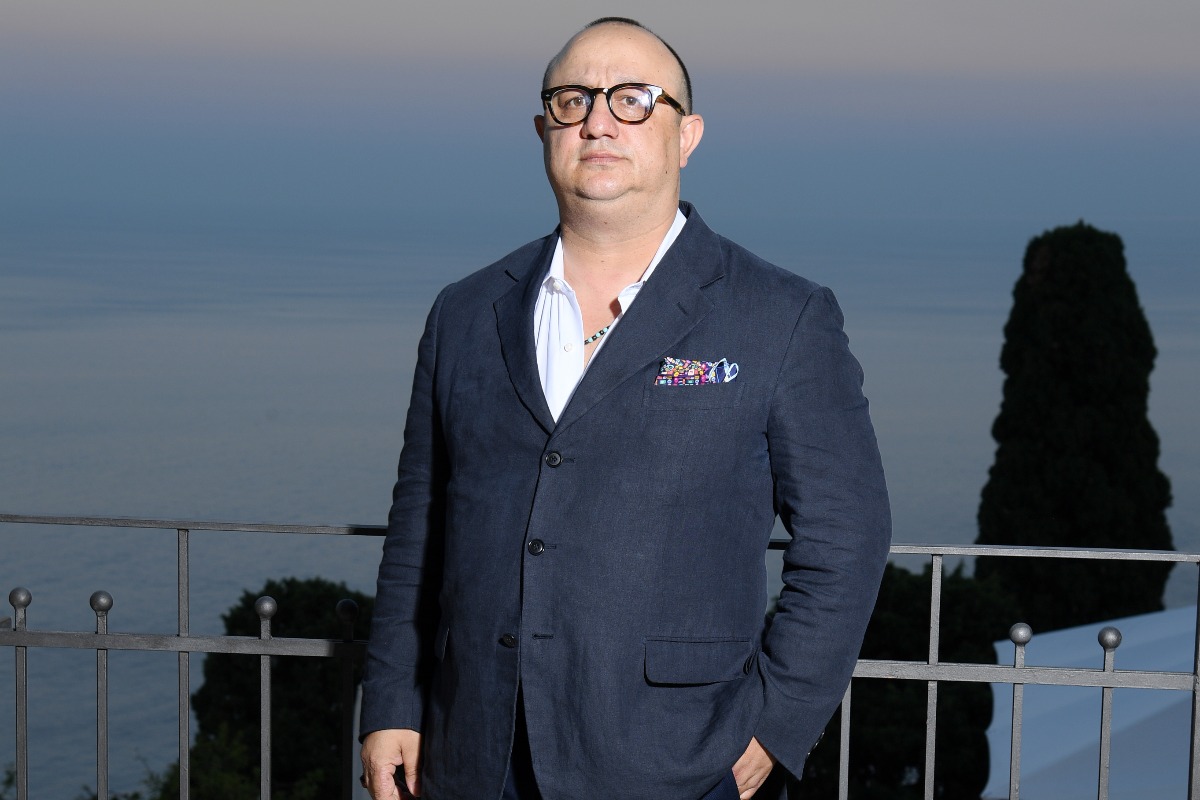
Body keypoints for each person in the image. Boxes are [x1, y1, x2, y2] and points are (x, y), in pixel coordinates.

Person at [359, 17, 890, 800]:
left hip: (676, 762)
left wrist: (776, 722)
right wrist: (393, 700)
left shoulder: (782, 315)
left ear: (688, 135)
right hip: (470, 753)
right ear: (546, 129)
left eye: (635, 99)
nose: (600, 120)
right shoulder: (465, 313)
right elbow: (421, 522)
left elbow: (848, 534)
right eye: (573, 100)